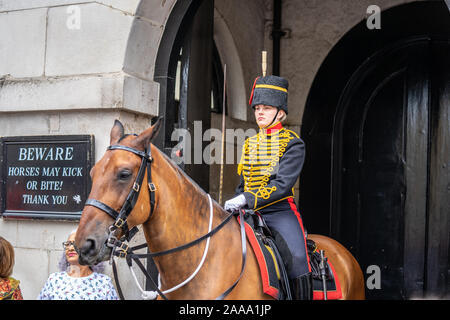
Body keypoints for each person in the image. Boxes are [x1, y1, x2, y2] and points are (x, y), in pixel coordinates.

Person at [224, 75, 312, 300]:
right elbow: (244, 183)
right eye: (257, 108)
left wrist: (247, 199)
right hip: (248, 212)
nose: (260, 112)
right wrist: (236, 201)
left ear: (280, 112)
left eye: (267, 108)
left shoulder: (292, 143)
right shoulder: (250, 143)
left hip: (279, 212)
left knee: (298, 260)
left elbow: (282, 185)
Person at [37, 229, 118, 300]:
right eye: (68, 244)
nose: (70, 248)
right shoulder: (54, 280)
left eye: (75, 243)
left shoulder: (103, 283)